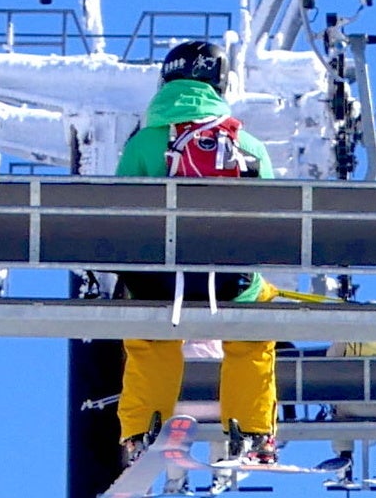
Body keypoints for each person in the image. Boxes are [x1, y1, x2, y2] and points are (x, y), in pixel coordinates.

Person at [113, 39, 283, 473]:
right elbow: (273, 218)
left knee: (150, 342)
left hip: (159, 284)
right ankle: (250, 431)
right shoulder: (248, 145)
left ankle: (141, 429)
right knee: (253, 337)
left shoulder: (145, 143)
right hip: (228, 283)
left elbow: (115, 212)